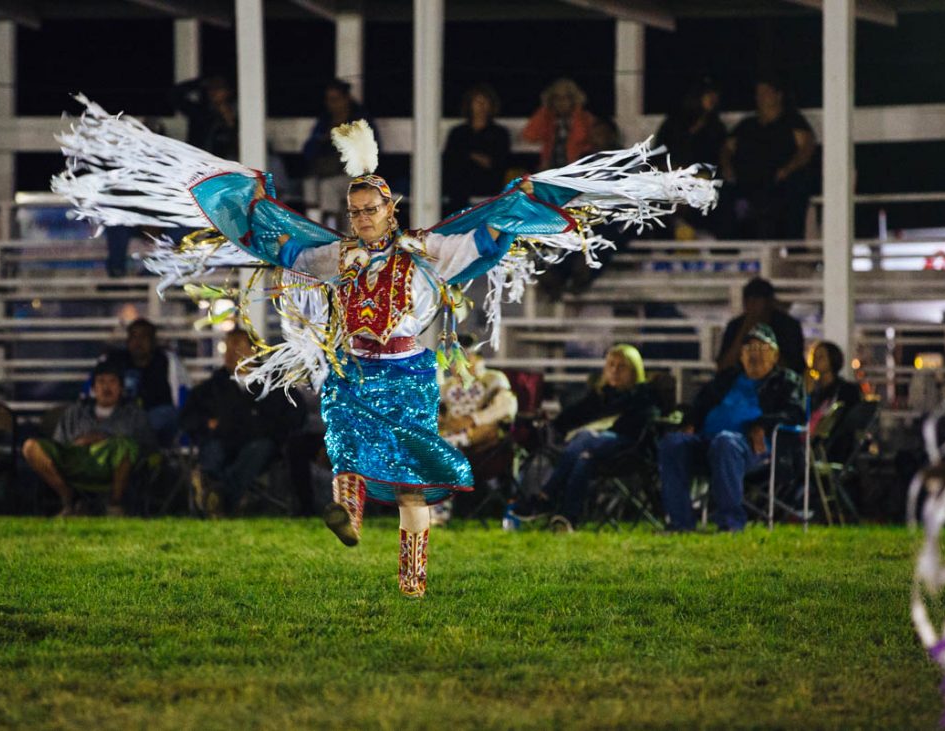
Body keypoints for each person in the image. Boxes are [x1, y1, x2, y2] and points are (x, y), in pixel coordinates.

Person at [55, 97, 719, 596]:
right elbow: (278, 242)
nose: (361, 219)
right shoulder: (333, 254)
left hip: (407, 374)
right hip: (351, 370)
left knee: (409, 484)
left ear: (391, 209)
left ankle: (412, 572)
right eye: (355, 211)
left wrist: (526, 210)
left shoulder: (429, 251)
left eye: (370, 210)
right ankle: (345, 511)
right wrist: (241, 205)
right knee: (343, 441)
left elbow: (488, 235)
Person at [659, 324, 803, 532]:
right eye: (749, 349)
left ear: (775, 355)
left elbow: (795, 412)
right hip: (707, 442)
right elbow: (699, 405)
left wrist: (762, 424)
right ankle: (679, 522)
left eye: (762, 349)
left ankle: (730, 522)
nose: (754, 355)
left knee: (725, 442)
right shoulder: (727, 378)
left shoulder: (785, 381)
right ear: (741, 355)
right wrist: (690, 423)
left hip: (752, 448)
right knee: (672, 443)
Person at [516, 344, 659, 531]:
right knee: (585, 459)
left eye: (621, 367)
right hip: (592, 450)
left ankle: (546, 496)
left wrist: (598, 431)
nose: (615, 371)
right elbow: (571, 416)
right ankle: (567, 518)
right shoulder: (600, 394)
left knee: (585, 436)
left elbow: (640, 425)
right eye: (611, 365)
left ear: (634, 371)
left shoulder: (643, 395)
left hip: (628, 448)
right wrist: (551, 424)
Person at [179, 329, 306, 516]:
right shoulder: (212, 387)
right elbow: (187, 418)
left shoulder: (274, 384)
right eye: (227, 349)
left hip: (258, 443)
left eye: (237, 348)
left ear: (254, 352)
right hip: (221, 440)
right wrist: (207, 423)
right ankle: (220, 496)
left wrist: (270, 428)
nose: (230, 355)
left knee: (258, 450)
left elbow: (295, 415)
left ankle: (217, 496)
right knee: (213, 452)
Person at [23, 361, 155, 516]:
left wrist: (105, 440)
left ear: (121, 388)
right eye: (101, 382)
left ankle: (114, 505)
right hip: (76, 459)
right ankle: (70, 499)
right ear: (93, 389)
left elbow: (147, 448)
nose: (106, 388)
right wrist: (80, 442)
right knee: (30, 447)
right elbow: (59, 445)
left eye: (112, 382)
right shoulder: (75, 413)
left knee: (126, 446)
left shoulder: (134, 415)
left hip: (110, 464)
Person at [718, 74, 816, 240]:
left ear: (778, 95)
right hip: (747, 183)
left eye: (766, 93)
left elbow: (806, 148)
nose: (761, 98)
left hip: (779, 182)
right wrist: (727, 168)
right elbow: (726, 149)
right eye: (758, 93)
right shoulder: (747, 125)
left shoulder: (793, 122)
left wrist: (787, 169)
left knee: (789, 197)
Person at [435, 334, 518, 525]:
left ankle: (439, 512)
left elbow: (507, 407)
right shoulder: (447, 387)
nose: (458, 364)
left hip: (483, 439)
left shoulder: (494, 379)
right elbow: (437, 415)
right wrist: (444, 423)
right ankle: (429, 507)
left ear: (477, 359)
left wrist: (474, 419)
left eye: (464, 358)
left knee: (444, 448)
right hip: (451, 437)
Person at [95, 318, 190, 446]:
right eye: (134, 336)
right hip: (118, 419)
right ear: (127, 340)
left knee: (165, 414)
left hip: (156, 423)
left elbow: (184, 400)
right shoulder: (113, 361)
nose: (138, 342)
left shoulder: (168, 362)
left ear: (153, 341)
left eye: (144, 337)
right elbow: (93, 393)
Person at [301, 79, 378, 227]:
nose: (331, 104)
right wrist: (322, 140)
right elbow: (308, 152)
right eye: (328, 100)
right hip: (326, 172)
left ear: (346, 98)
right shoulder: (325, 121)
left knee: (328, 186)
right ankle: (314, 230)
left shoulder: (360, 119)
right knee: (309, 184)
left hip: (355, 176)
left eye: (335, 99)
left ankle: (332, 232)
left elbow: (371, 154)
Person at [442, 84, 511, 216]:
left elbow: (497, 162)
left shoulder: (499, 133)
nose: (481, 106)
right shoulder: (458, 132)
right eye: (478, 102)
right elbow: (450, 158)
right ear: (469, 105)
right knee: (457, 181)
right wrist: (473, 157)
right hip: (460, 181)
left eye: (485, 102)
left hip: (487, 181)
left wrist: (469, 156)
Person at [716, 277, 805, 374]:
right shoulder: (735, 326)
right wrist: (744, 331)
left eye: (757, 302)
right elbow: (723, 366)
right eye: (749, 302)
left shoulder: (788, 326)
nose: (753, 307)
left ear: (769, 302)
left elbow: (792, 368)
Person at [522, 78, 596, 171]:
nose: (561, 102)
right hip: (550, 169)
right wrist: (545, 108)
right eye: (556, 98)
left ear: (574, 99)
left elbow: (582, 137)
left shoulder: (584, 117)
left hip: (577, 169)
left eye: (567, 97)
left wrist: (577, 111)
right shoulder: (547, 118)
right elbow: (530, 136)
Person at [655, 75, 726, 171]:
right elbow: (659, 154)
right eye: (707, 93)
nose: (712, 97)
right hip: (674, 177)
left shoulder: (716, 126)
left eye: (715, 93)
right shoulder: (675, 123)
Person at [807, 340, 863, 460]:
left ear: (832, 359)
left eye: (821, 357)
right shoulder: (812, 390)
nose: (816, 360)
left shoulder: (846, 390)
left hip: (835, 446)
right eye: (814, 356)